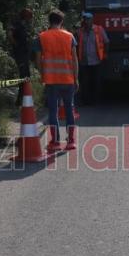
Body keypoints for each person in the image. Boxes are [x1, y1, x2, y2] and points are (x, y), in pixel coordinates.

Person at [34, 9, 79, 151]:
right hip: (68, 79)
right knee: (69, 109)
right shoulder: (70, 36)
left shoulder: (42, 37)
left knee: (53, 112)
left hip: (51, 80)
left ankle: (55, 142)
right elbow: (75, 60)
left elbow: (38, 60)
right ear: (62, 21)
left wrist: (42, 75)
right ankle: (71, 141)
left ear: (49, 21)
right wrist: (76, 78)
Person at [77, 12, 109, 105]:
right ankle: (85, 100)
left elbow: (106, 42)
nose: (86, 21)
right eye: (85, 19)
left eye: (88, 19)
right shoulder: (79, 32)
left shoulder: (99, 29)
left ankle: (96, 100)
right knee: (85, 82)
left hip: (96, 60)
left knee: (96, 81)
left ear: (92, 20)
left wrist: (105, 54)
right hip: (84, 61)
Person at [9, 8, 34, 106]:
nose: (30, 19)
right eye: (29, 17)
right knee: (24, 76)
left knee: (26, 76)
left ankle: (23, 100)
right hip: (20, 54)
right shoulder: (16, 23)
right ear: (26, 16)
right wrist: (16, 46)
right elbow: (10, 35)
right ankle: (19, 102)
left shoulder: (24, 25)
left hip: (24, 54)